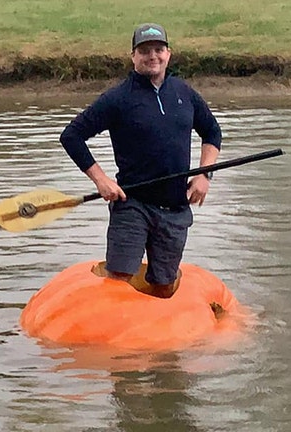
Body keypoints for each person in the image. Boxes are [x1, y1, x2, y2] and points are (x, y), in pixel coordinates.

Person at [59, 23, 222, 298]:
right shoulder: (117, 98)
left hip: (175, 207)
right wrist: (101, 180)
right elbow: (72, 136)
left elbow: (212, 132)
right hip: (131, 204)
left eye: (159, 49)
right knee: (119, 278)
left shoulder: (184, 93)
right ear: (133, 56)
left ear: (168, 54)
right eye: (144, 51)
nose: (153, 56)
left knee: (164, 284)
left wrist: (204, 175)